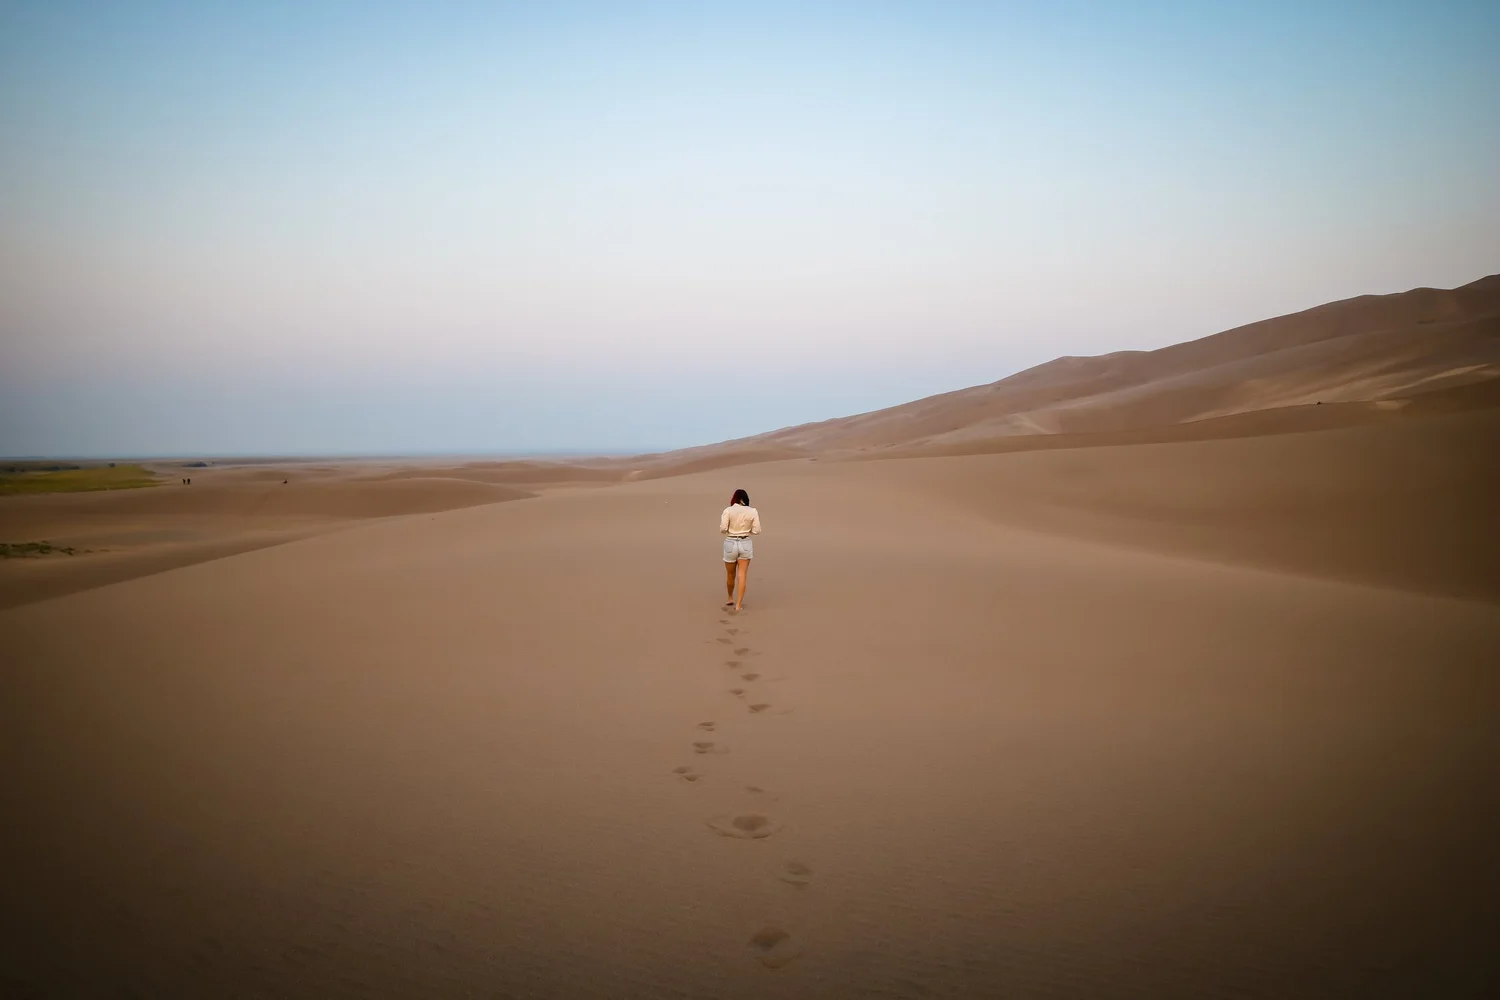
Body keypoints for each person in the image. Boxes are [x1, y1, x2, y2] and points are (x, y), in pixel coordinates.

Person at [720, 488, 761, 611]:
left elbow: (723, 529)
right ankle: (738, 605)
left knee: (730, 574)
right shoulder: (752, 511)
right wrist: (747, 531)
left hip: (730, 542)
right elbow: (757, 530)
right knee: (742, 575)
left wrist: (731, 530)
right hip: (745, 542)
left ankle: (730, 598)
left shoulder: (728, 510)